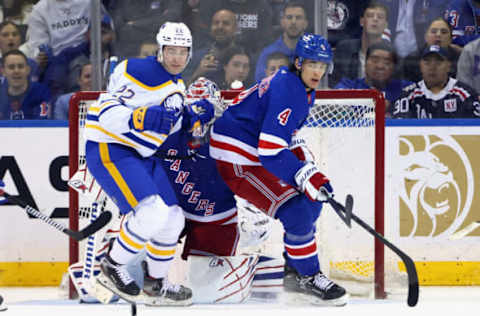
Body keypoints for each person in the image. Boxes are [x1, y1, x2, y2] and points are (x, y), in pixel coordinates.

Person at [209, 33, 349, 306]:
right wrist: (305, 175)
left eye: (322, 65)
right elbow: (271, 151)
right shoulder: (290, 89)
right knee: (296, 211)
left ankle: (295, 269)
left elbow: (288, 139)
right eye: (312, 64)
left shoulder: (300, 89)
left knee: (310, 199)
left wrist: (310, 173)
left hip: (250, 151)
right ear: (298, 62)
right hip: (236, 156)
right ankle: (308, 276)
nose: (318, 71)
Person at [84, 22, 215, 305]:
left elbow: (171, 135)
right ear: (160, 49)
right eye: (171, 50)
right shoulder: (135, 70)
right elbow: (104, 111)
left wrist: (193, 127)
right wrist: (138, 118)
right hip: (110, 148)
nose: (177, 57)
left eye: (183, 51)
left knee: (173, 217)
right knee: (152, 212)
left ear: (190, 54)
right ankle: (112, 265)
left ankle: (156, 284)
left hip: (142, 155)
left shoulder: (179, 85)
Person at [391, 44, 480, 118]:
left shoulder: (466, 95)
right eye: (427, 62)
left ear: (448, 66)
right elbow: (399, 131)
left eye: (438, 62)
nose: (432, 67)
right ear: (421, 66)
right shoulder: (408, 96)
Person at [335, 41, 414, 116]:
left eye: (387, 62)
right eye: (375, 60)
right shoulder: (349, 86)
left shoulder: (406, 88)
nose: (380, 66)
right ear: (365, 63)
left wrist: (391, 106)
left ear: (393, 68)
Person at [330, 1, 389, 87]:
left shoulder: (390, 55)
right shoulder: (344, 50)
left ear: (386, 25)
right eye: (370, 16)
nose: (375, 19)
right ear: (362, 21)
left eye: (380, 17)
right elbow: (333, 83)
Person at [254, 1, 308, 82]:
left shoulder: (313, 54)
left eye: (298, 17)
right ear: (282, 22)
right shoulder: (267, 53)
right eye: (289, 17)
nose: (293, 22)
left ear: (305, 23)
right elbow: (259, 86)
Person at [109, 0, 182, 59]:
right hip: (128, 49)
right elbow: (119, 26)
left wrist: (135, 24)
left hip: (162, 47)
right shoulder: (124, 2)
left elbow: (170, 19)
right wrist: (154, 22)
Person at [183, 8, 238, 84]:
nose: (220, 27)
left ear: (235, 28)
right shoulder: (196, 57)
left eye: (226, 23)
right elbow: (181, 90)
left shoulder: (245, 57)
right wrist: (198, 73)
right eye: (216, 23)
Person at [379, 0, 450, 58]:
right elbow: (384, 26)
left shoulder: (428, 3)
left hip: (421, 55)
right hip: (392, 56)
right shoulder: (389, 2)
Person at [400, 17, 461, 83]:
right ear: (426, 37)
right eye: (433, 31)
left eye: (444, 32)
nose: (438, 35)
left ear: (450, 39)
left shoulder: (460, 60)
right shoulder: (411, 60)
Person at [0, 49, 51, 120]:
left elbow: (42, 124)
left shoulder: (41, 92)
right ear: (3, 71)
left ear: (28, 70)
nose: (16, 71)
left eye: (20, 66)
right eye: (11, 67)